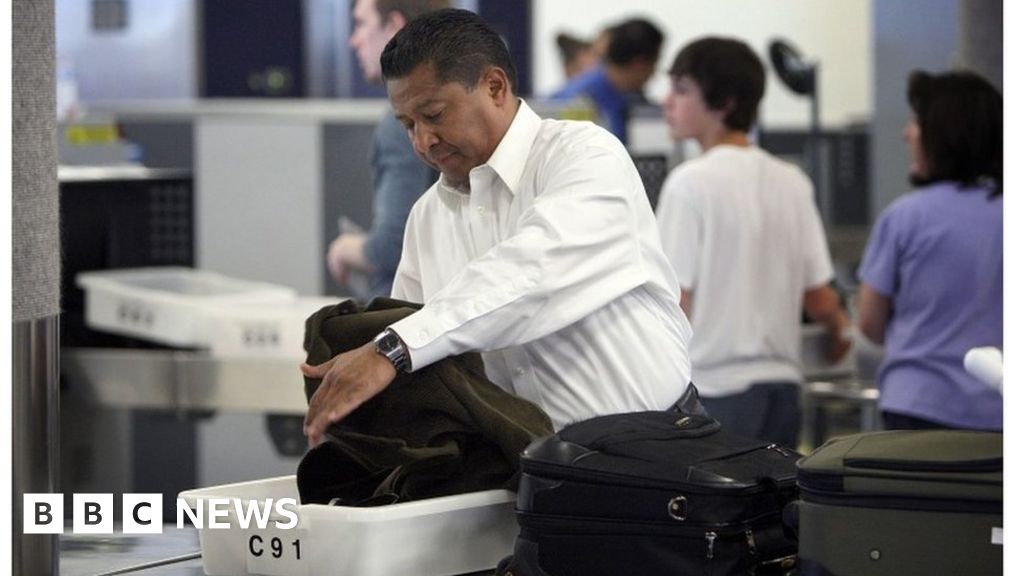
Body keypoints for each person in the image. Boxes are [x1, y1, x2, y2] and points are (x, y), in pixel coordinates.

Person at [302, 8, 693, 445]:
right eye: (408, 124)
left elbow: (532, 274)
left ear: (494, 87)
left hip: (657, 459)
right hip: (524, 473)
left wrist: (392, 349)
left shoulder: (584, 156)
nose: (422, 141)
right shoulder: (429, 217)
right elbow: (423, 357)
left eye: (433, 114)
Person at [655, 37, 850, 449]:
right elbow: (819, 297)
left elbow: (674, 301)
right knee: (774, 508)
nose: (666, 101)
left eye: (681, 90)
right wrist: (838, 335)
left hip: (714, 390)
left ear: (724, 102)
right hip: (782, 389)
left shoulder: (690, 183)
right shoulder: (793, 181)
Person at [857, 70, 1002, 431]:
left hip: (919, 406)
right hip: (1002, 407)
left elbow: (870, 324)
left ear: (945, 133)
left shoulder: (905, 217)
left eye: (917, 122)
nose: (907, 133)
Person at [325, 0, 447, 298]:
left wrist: (344, 248)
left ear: (394, 26)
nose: (354, 39)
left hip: (403, 317)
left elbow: (393, 246)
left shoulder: (404, 122)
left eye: (362, 23)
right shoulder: (449, 107)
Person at [550, 17, 663, 144]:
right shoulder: (577, 100)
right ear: (639, 64)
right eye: (654, 64)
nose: (653, 74)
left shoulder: (628, 98)